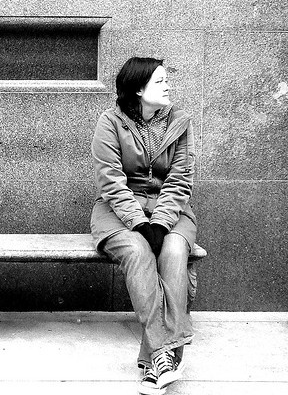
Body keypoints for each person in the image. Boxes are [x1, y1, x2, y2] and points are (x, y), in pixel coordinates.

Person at [90, 57, 197, 394]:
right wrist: (139, 222)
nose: (168, 86)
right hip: (117, 210)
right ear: (138, 89)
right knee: (137, 250)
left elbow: (180, 179)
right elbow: (110, 180)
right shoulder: (110, 122)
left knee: (175, 250)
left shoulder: (180, 122)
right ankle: (166, 354)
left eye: (167, 80)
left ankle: (156, 361)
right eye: (159, 81)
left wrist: (161, 224)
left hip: (172, 207)